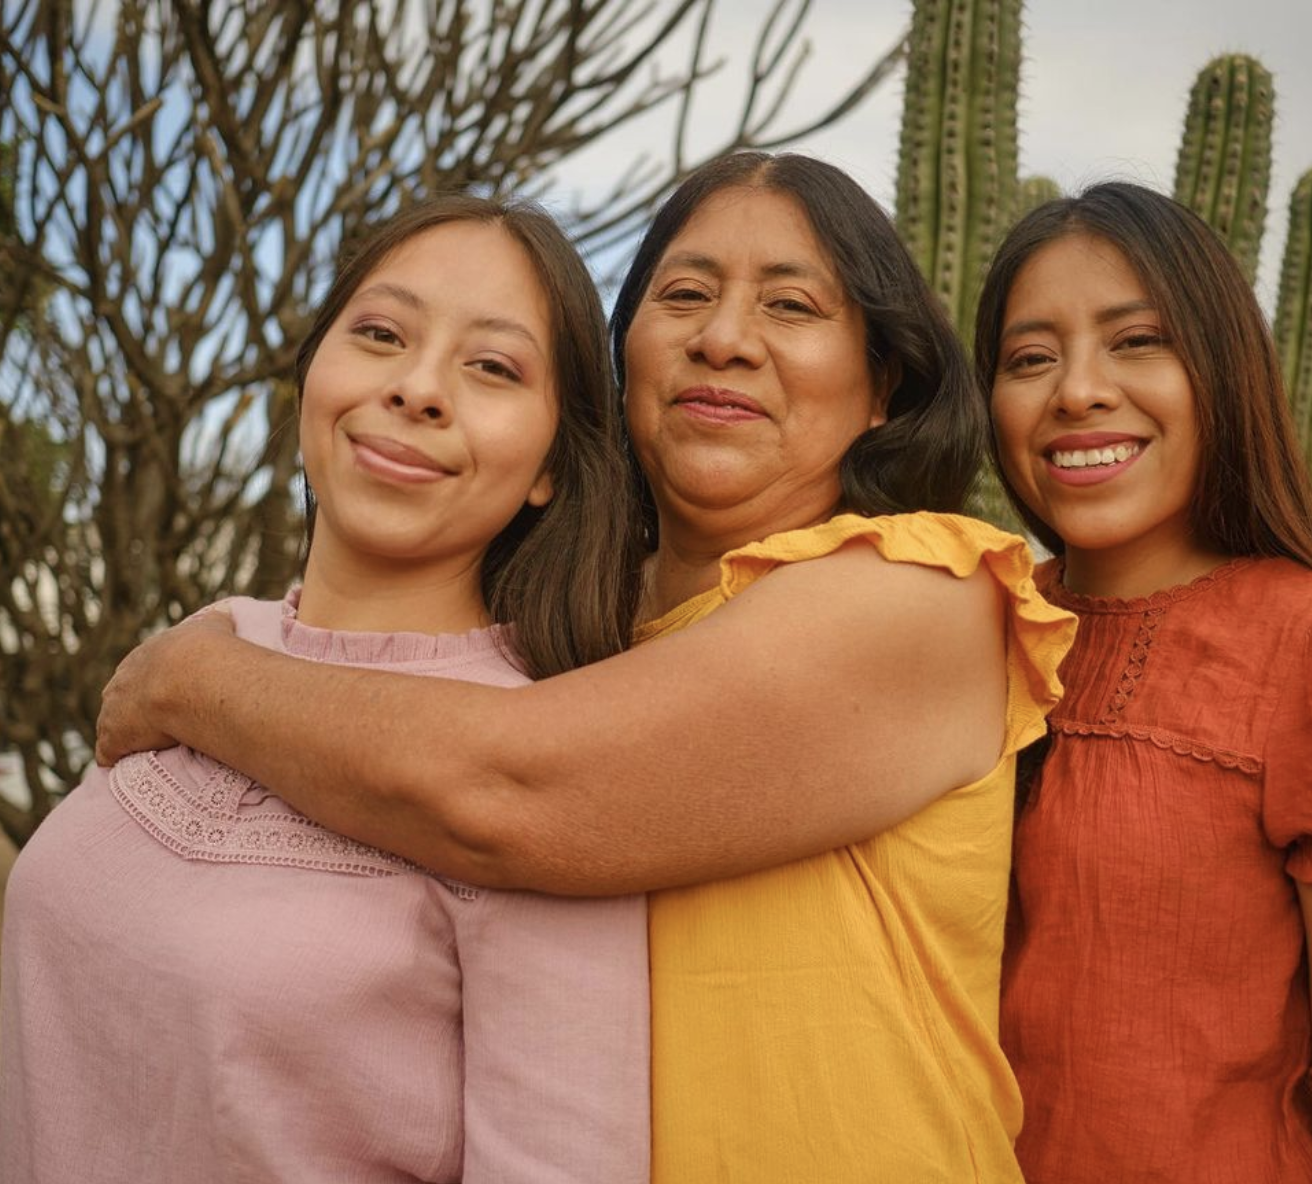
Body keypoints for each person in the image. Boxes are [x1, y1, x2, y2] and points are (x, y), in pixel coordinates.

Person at [93, 151, 1077, 1182]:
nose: (722, 338)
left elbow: (511, 788)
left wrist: (186, 679)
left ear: (883, 386)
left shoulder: (922, 590)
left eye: (791, 306)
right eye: (683, 294)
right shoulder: (572, 634)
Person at [0, 195, 651, 1183]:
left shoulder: (543, 761)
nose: (418, 388)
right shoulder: (195, 656)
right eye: (380, 332)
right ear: (314, 373)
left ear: (548, 469)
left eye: (492, 366)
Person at [974, 179, 1312, 1184]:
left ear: (1223, 370)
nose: (1075, 389)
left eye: (1135, 341)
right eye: (1029, 357)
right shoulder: (968, 627)